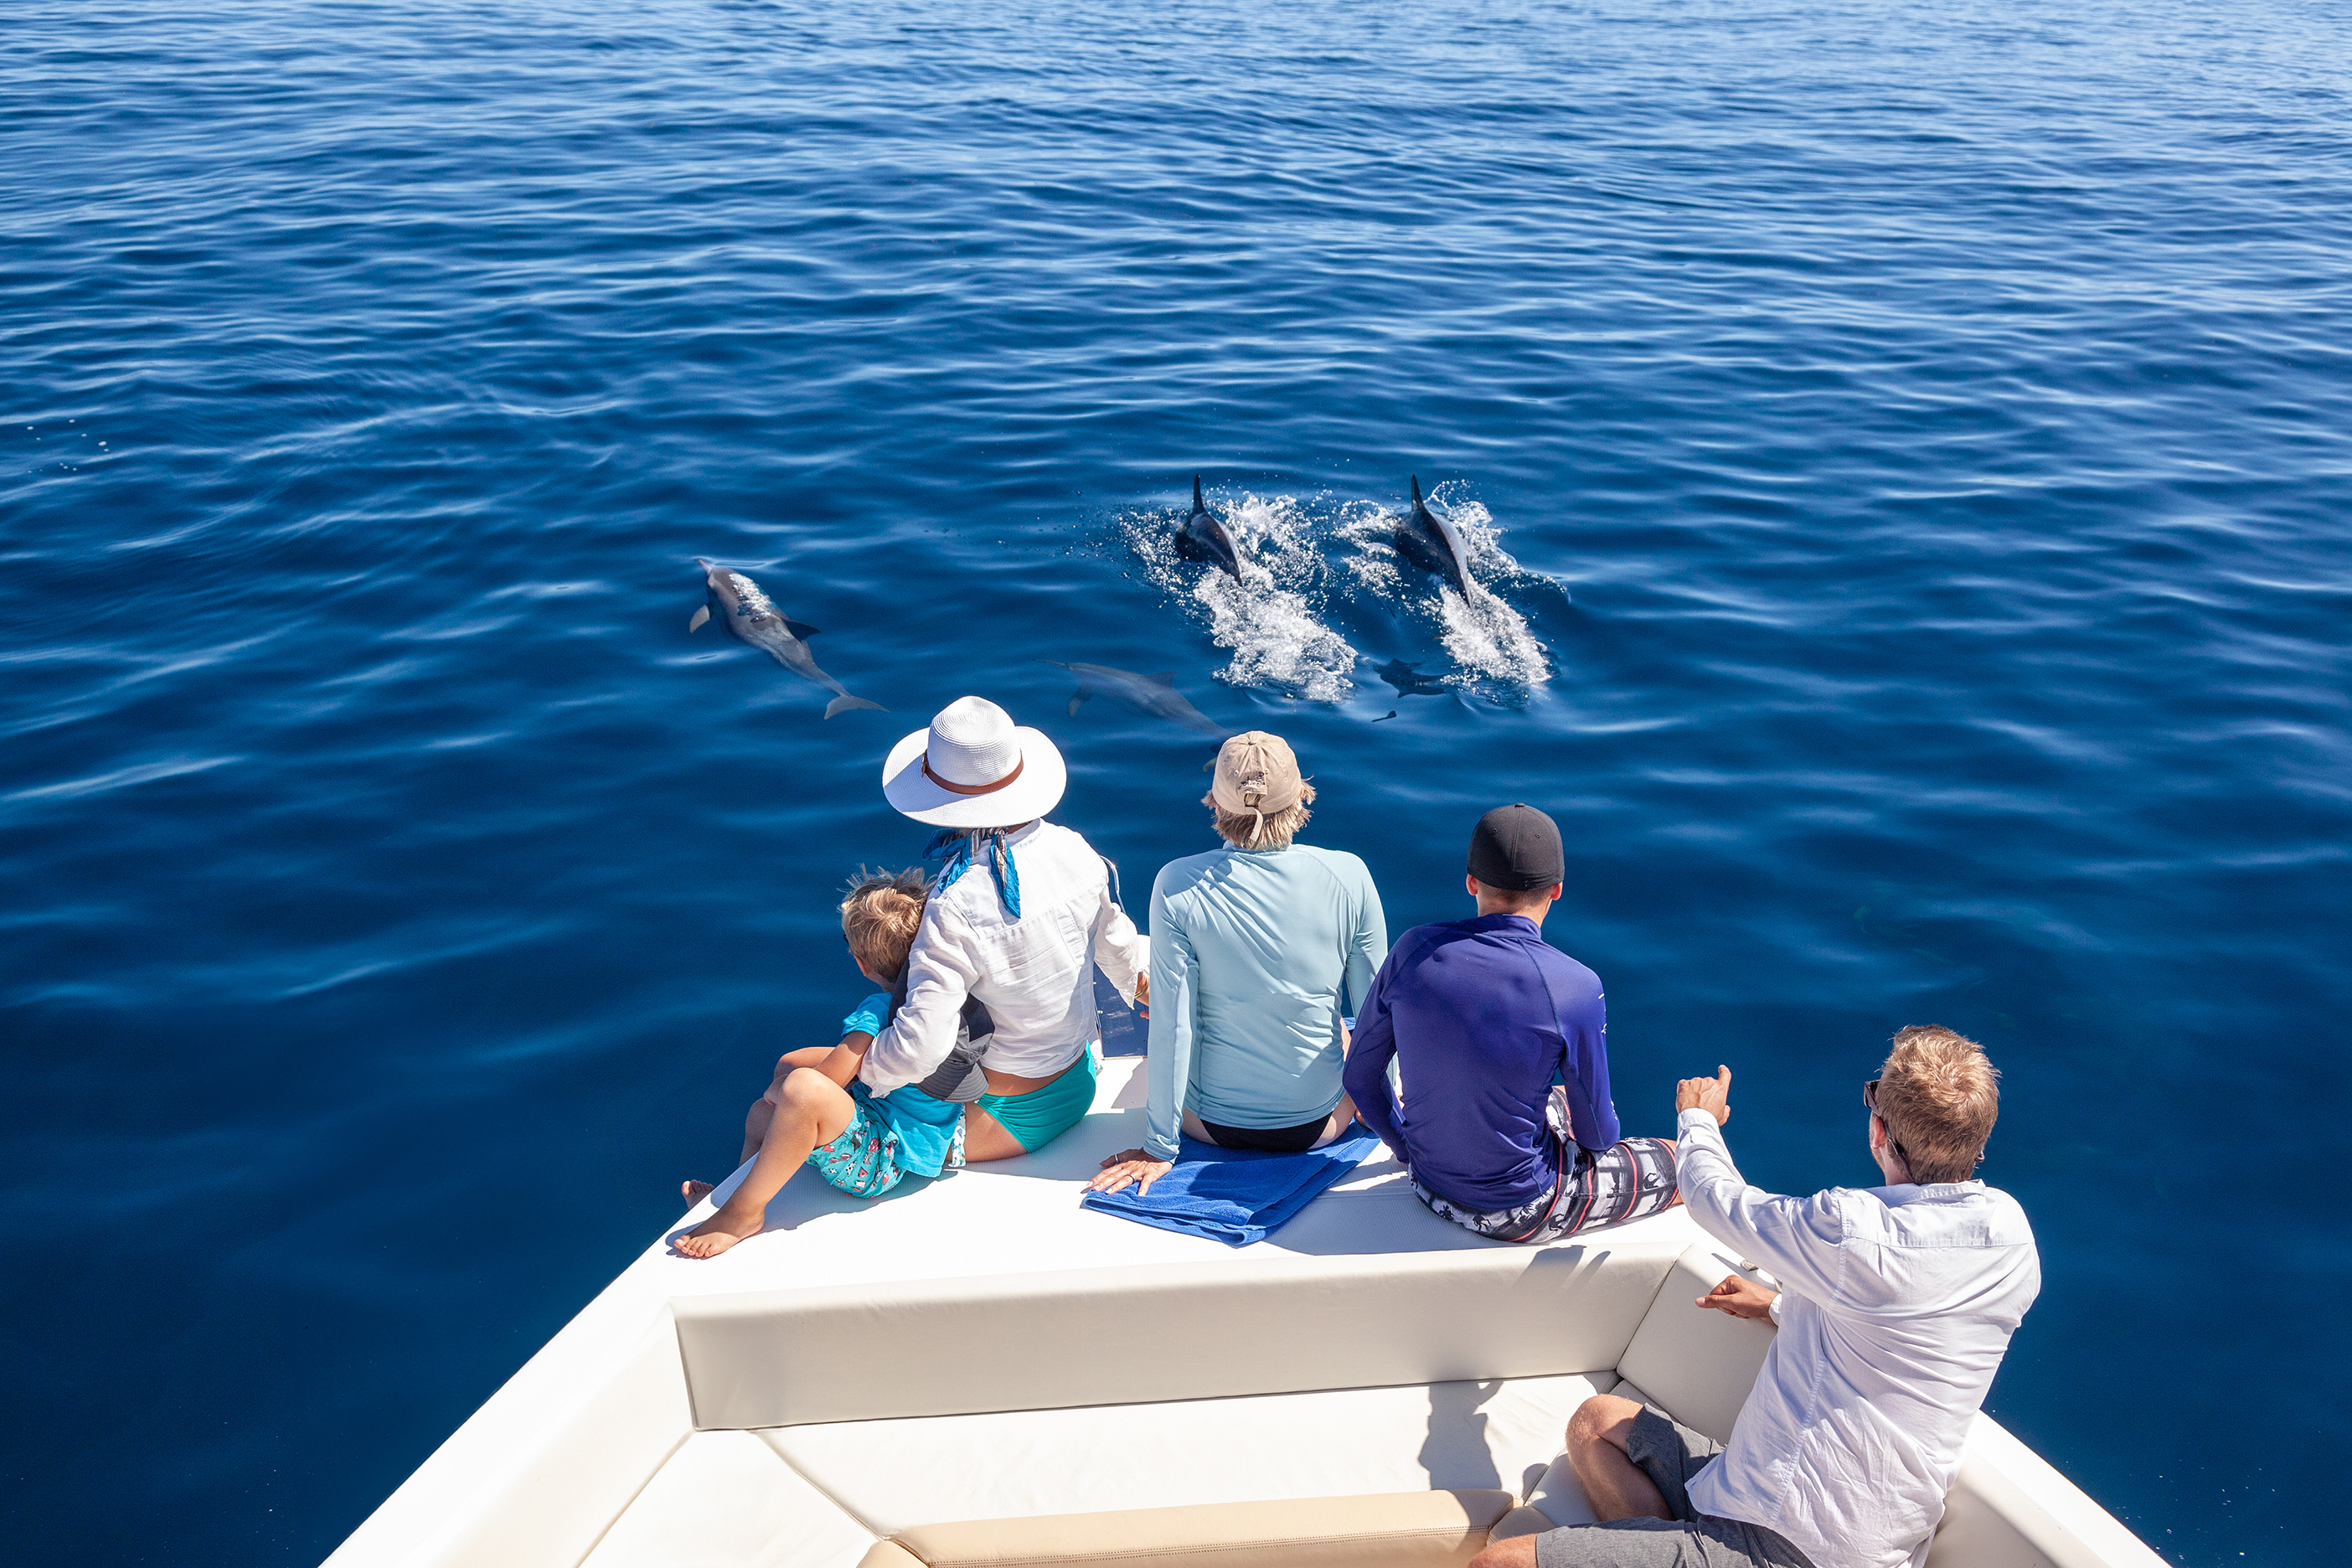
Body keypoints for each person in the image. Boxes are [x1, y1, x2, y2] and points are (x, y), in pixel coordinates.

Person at [1472, 1028, 2040, 1568]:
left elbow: (1714, 1197)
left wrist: (1698, 1117)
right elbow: (1907, 1319)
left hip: (1786, 1544)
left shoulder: (1852, 1230)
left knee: (1498, 1562)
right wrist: (1777, 1305)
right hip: (1830, 1527)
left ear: (1878, 1132)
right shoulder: (2011, 1238)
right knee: (1597, 1424)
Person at [1343, 804, 1679, 1243]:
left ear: (1471, 882)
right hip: (1521, 1208)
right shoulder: (1575, 986)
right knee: (1683, 1158)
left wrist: (1407, 1149)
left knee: (1550, 1097)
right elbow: (1598, 1137)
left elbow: (1360, 1076)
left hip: (1427, 1186)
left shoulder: (1412, 951)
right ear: (1556, 890)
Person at [1090, 732, 1386, 1197]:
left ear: (1216, 804)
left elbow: (1173, 1027)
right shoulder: (1350, 874)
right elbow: (1376, 1007)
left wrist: (1159, 1148)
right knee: (1346, 1029)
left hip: (1207, 1125)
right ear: (1301, 798)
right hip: (1322, 1123)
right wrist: (1380, 1104)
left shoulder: (1176, 884)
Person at [673, 869, 1008, 1257]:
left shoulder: (877, 1009)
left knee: (795, 1089)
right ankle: (733, 1190)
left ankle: (742, 1212)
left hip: (884, 1159)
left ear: (862, 964)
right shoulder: (945, 1003)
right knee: (765, 1110)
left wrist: (780, 1091)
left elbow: (829, 1081)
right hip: (913, 1132)